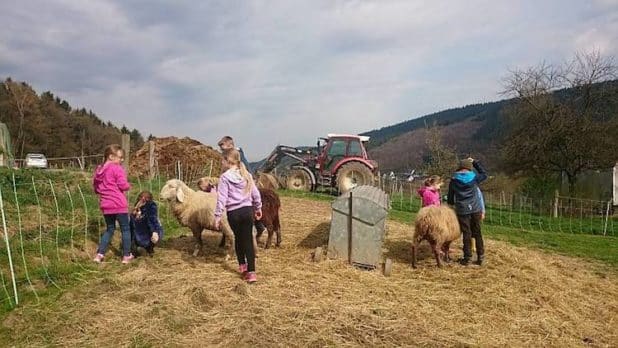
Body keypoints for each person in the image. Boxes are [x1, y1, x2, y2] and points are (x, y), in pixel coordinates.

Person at [214, 149, 262, 283]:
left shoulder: (224, 177)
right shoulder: (246, 174)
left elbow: (222, 198)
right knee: (247, 240)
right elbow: (255, 194)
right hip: (247, 211)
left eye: (222, 160)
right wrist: (258, 208)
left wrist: (217, 217)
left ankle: (243, 267)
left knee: (238, 239)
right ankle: (252, 273)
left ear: (227, 161)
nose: (221, 163)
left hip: (233, 213)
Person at [93, 144, 133, 264]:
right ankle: (126, 256)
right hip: (119, 204)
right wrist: (128, 185)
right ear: (111, 156)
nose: (121, 160)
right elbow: (123, 185)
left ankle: (99, 255)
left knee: (109, 229)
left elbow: (96, 188)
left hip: (106, 205)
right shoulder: (117, 168)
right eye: (120, 157)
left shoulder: (99, 170)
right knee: (125, 229)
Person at [447, 157, 488, 266]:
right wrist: (475, 162)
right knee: (478, 233)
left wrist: (452, 204)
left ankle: (467, 258)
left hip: (462, 210)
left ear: (460, 167)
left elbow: (450, 198)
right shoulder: (474, 178)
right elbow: (484, 174)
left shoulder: (454, 180)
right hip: (475, 209)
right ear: (469, 168)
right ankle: (481, 257)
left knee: (466, 233)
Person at [130, 191, 163, 256]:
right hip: (142, 235)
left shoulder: (149, 207)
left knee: (154, 233)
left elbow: (152, 220)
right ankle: (146, 248)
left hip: (143, 235)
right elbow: (152, 220)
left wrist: (154, 231)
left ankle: (147, 248)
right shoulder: (142, 207)